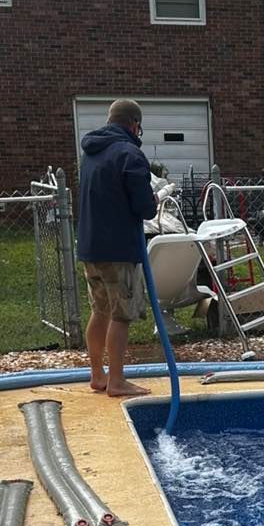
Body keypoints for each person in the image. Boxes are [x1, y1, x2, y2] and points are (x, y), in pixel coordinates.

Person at [76, 98, 158, 397]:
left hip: (90, 246)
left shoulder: (91, 153)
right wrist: (154, 199)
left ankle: (98, 375)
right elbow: (145, 208)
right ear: (134, 125)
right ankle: (117, 381)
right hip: (119, 249)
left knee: (100, 311)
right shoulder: (129, 153)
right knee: (121, 314)